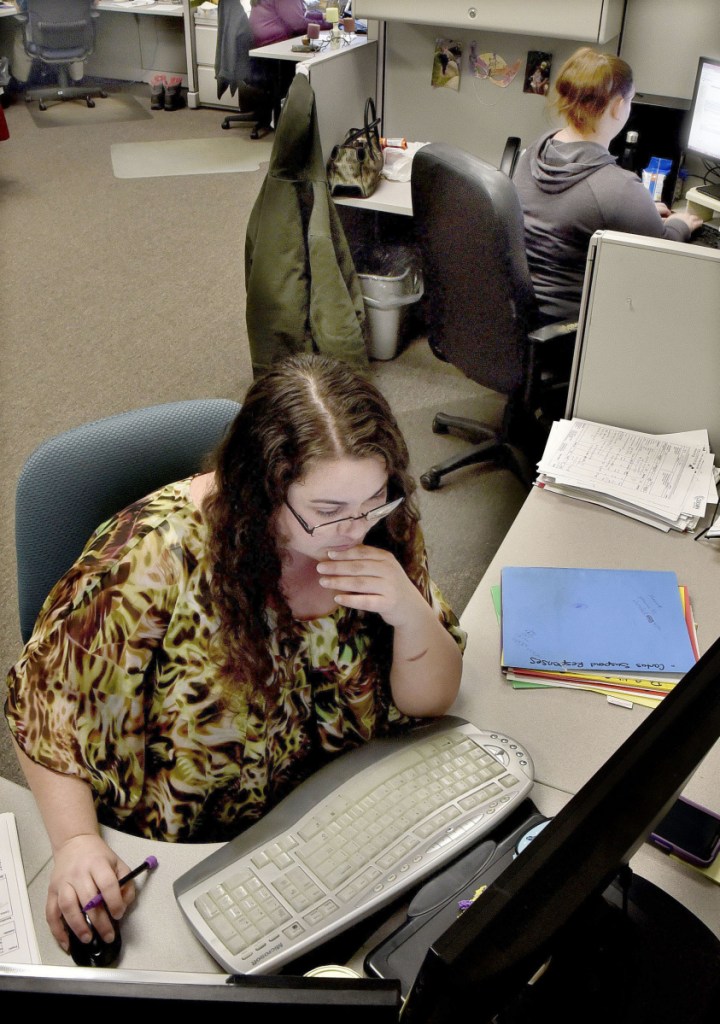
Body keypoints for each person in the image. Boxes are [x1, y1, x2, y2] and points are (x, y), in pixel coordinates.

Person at [5, 354, 465, 956]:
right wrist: (74, 844)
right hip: (196, 854)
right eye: (326, 512)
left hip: (341, 823)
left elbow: (430, 699)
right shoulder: (152, 562)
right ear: (261, 487)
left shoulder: (375, 525)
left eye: (373, 499)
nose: (353, 529)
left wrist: (408, 609)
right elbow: (42, 708)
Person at [513, 47, 703, 324]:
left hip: (520, 315)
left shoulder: (534, 152)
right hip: (570, 331)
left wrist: (641, 209)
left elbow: (585, 206)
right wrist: (682, 223)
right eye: (630, 99)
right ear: (617, 106)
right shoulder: (618, 188)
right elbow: (662, 248)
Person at [246, 0, 309, 135]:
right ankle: (289, 123)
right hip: (272, 57)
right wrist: (329, 23)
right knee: (309, 67)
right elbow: (298, 24)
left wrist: (321, 17)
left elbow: (297, 18)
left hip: (262, 53)